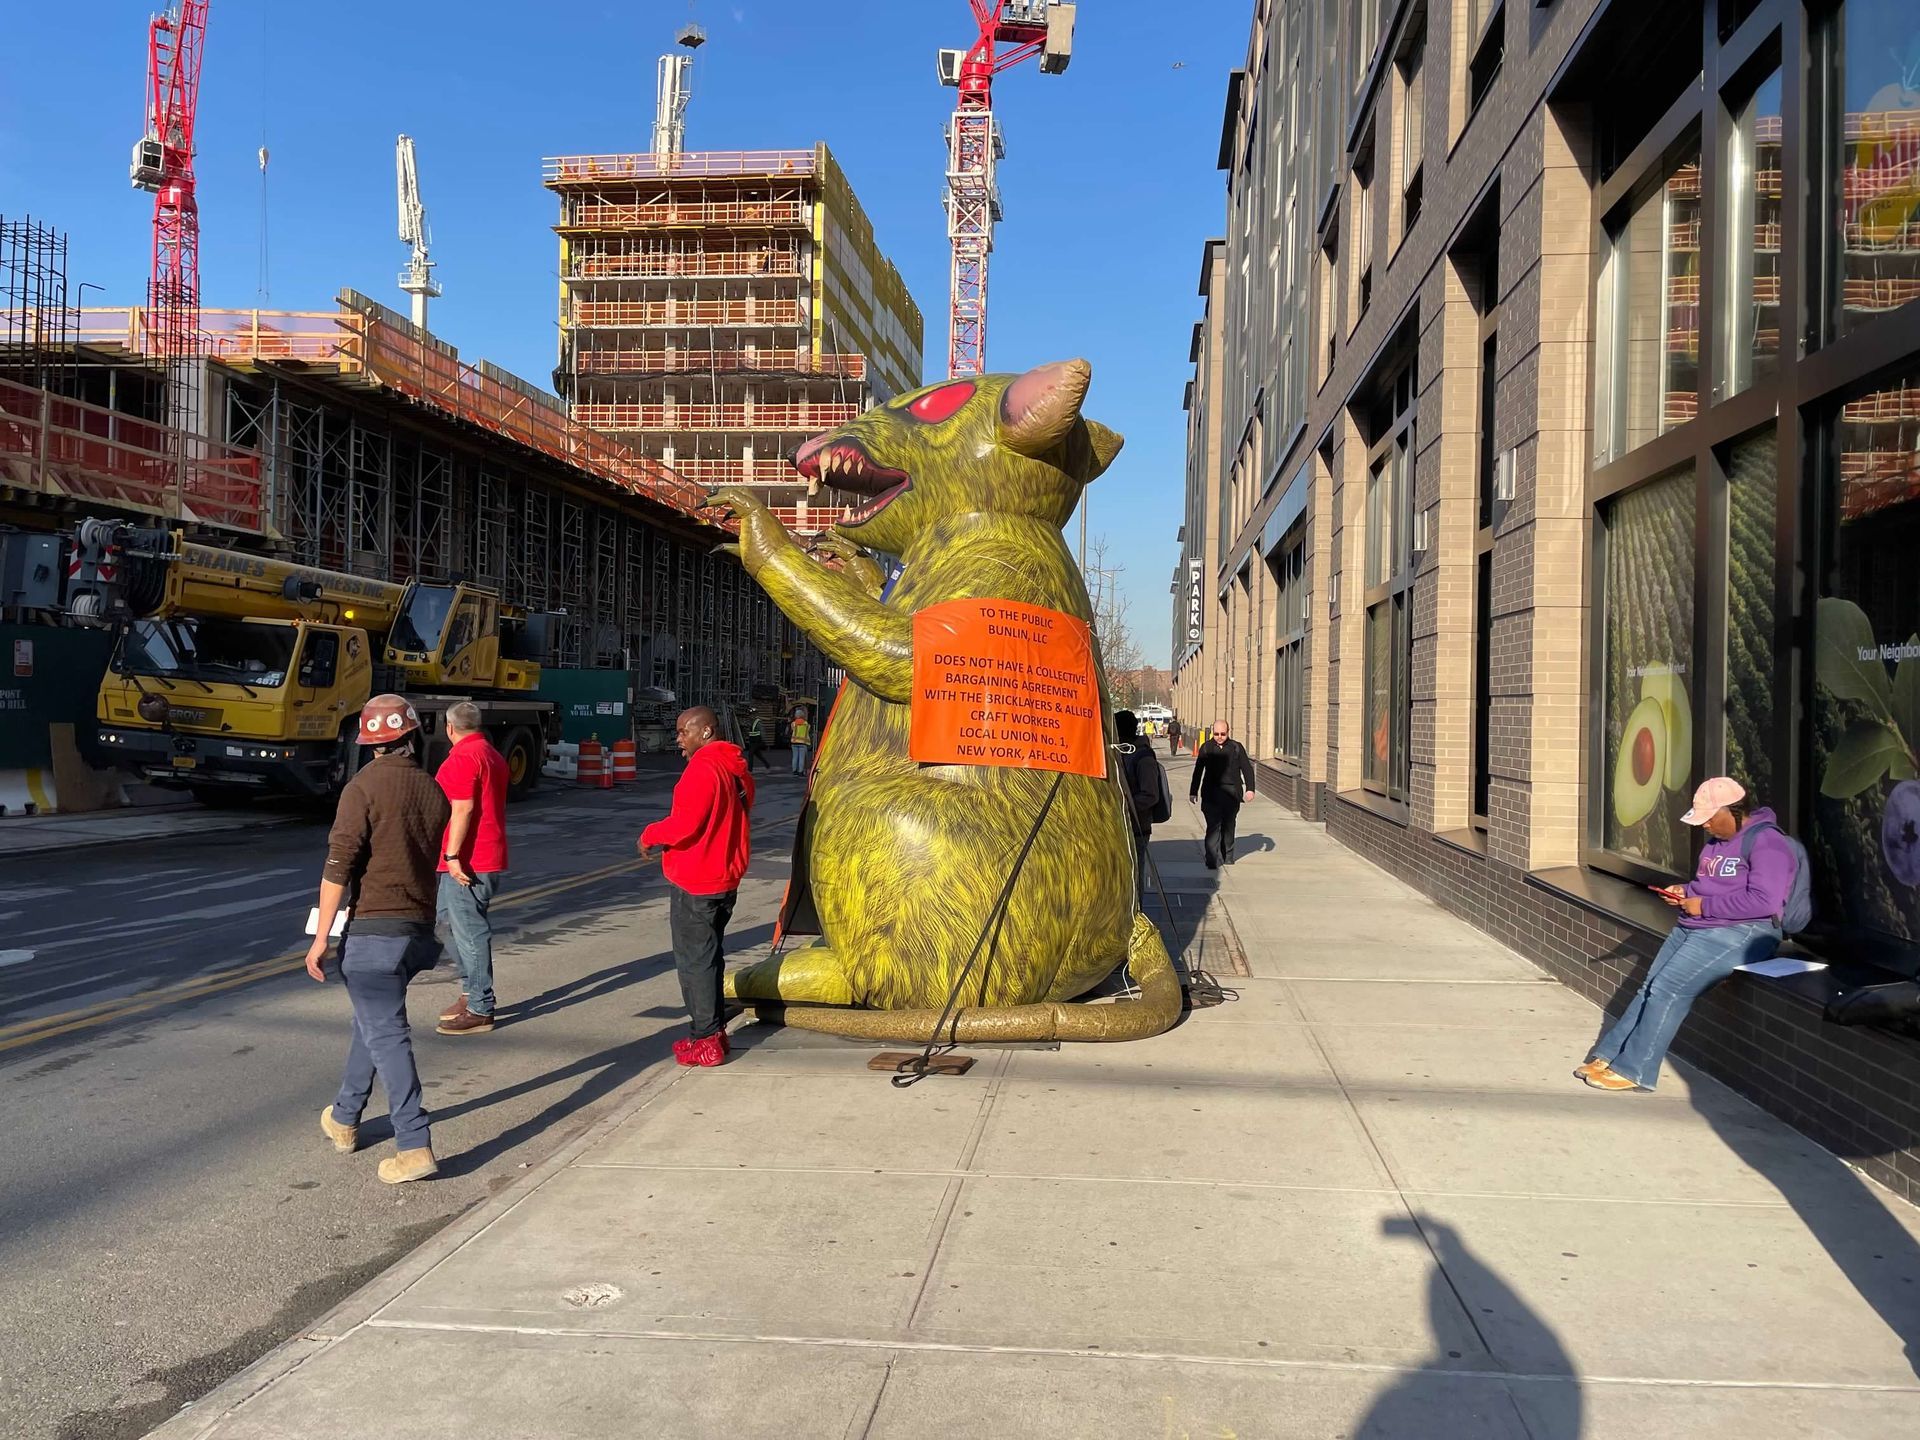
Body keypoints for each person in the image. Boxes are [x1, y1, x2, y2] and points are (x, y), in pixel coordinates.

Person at [306, 694, 450, 1184]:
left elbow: (338, 867)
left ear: (372, 746)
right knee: (373, 1021)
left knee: (386, 1033)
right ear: (412, 737)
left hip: (373, 932)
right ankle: (345, 1118)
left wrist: (321, 937)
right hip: (415, 930)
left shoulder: (361, 789)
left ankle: (413, 1143)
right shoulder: (433, 790)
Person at [1578, 778, 1792, 1092]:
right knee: (1650, 986)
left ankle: (1634, 1069)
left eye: (1708, 818)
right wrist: (1685, 891)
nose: (1704, 825)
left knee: (1668, 990)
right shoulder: (1716, 842)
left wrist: (1703, 904)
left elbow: (1765, 901)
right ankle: (1611, 1055)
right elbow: (1712, 885)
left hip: (1740, 932)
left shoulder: (1768, 843)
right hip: (1697, 925)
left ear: (1732, 811)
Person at [639, 706, 755, 1067]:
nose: (678, 740)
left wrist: (649, 835)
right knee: (710, 956)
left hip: (697, 879)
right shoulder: (734, 767)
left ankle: (705, 1037)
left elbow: (684, 824)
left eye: (682, 732)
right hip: (723, 876)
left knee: (694, 962)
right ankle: (713, 1029)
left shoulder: (703, 768)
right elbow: (744, 806)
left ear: (705, 732)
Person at [433, 700, 509, 1036]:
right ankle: (471, 991)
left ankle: (480, 1005)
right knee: (447, 923)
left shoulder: (463, 758)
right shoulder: (491, 753)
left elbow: (462, 810)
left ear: (449, 727)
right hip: (484, 854)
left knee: (467, 930)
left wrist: (452, 857)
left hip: (468, 858)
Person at [1114, 710, 1170, 899]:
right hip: (1121, 826)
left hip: (1137, 828)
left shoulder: (1143, 757)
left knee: (1134, 879)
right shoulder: (1122, 752)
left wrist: (1123, 808)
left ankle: (1138, 917)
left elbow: (1150, 795)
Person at [1189, 719, 1256, 869]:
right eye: (1216, 733)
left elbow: (1247, 769)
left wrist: (1250, 789)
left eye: (1223, 734)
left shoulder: (1236, 748)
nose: (1219, 736)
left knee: (1228, 825)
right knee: (1213, 826)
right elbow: (1198, 771)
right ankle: (1212, 859)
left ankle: (1228, 856)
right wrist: (1193, 791)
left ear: (1228, 732)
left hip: (1231, 793)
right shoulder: (1206, 748)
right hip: (1211, 793)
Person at [790, 707, 813, 776]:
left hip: (794, 742)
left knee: (795, 757)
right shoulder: (806, 724)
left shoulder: (793, 724)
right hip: (803, 743)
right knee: (801, 758)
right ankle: (800, 771)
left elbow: (792, 729)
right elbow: (808, 730)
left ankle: (794, 771)